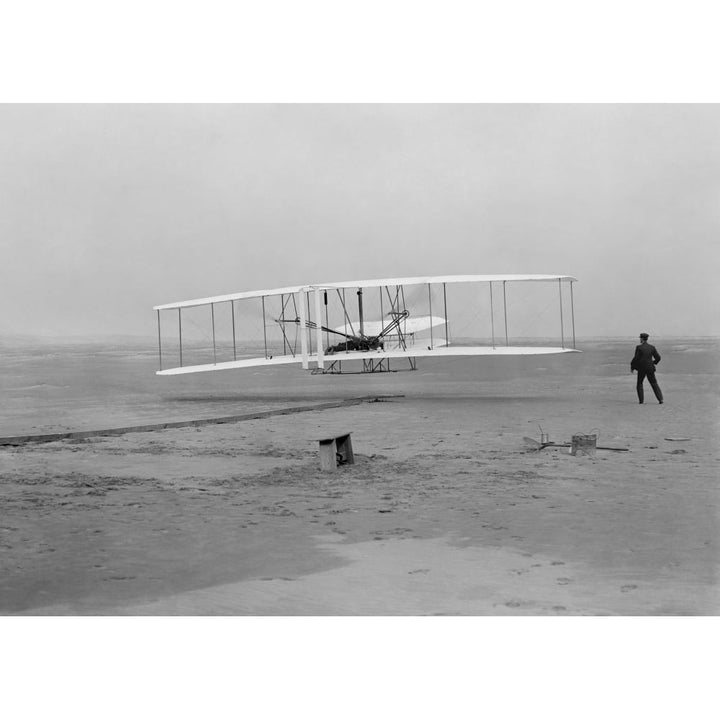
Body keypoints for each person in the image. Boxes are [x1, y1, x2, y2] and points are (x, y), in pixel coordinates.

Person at [631, 333, 664, 404]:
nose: (640, 339)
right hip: (650, 368)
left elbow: (636, 359)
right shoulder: (652, 347)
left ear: (642, 339)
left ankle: (641, 401)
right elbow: (658, 358)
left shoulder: (639, 347)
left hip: (641, 368)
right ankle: (660, 400)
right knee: (654, 383)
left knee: (639, 383)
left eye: (640, 338)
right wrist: (653, 363)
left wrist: (632, 366)